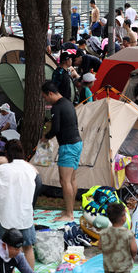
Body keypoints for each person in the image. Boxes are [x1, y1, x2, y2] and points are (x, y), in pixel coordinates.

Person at [0, 140, 38, 267]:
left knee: (4, 250)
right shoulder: (30, 168)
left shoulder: (1, 170)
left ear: (6, 153)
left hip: (7, 218)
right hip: (25, 217)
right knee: (28, 248)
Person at [41, 81, 82, 222]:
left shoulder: (57, 107)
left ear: (50, 93)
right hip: (77, 143)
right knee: (72, 180)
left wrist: (45, 137)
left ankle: (69, 214)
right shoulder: (68, 102)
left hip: (68, 146)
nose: (45, 100)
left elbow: (56, 128)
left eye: (45, 97)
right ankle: (70, 211)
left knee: (64, 181)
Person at [99, 202, 137, 273]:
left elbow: (100, 246)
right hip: (124, 267)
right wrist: (133, 256)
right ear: (123, 218)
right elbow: (134, 249)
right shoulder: (128, 233)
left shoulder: (104, 232)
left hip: (108, 266)